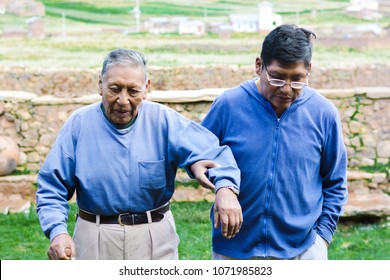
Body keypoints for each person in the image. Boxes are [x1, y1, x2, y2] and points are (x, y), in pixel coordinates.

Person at [36, 48, 242, 260]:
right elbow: (52, 185)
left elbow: (213, 152)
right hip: (94, 237)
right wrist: (57, 232)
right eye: (114, 89)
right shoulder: (78, 124)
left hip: (155, 237)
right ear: (100, 85)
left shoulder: (164, 121)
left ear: (146, 88)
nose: (123, 100)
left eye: (132, 91)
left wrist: (225, 188)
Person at [201, 24, 348, 260]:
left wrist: (322, 238)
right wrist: (223, 188)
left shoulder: (324, 113)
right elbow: (198, 156)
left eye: (297, 79)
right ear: (259, 65)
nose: (287, 89)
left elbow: (335, 182)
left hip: (304, 251)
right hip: (233, 249)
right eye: (277, 78)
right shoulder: (228, 105)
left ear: (309, 71)